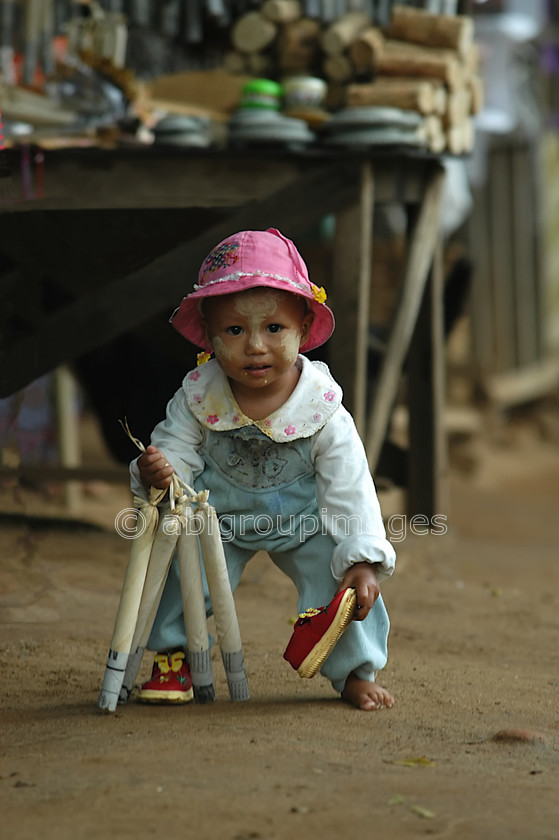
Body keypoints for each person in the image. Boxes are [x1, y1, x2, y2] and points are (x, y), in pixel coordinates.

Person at [130, 228, 396, 711]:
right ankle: (173, 657)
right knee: (180, 564)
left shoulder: (322, 408)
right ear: (210, 337)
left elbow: (350, 488)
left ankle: (356, 672)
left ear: (302, 327)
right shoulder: (198, 397)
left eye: (274, 329)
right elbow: (177, 453)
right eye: (234, 331)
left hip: (303, 522)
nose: (255, 345)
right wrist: (159, 470)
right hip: (219, 521)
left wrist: (362, 557)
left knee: (345, 588)